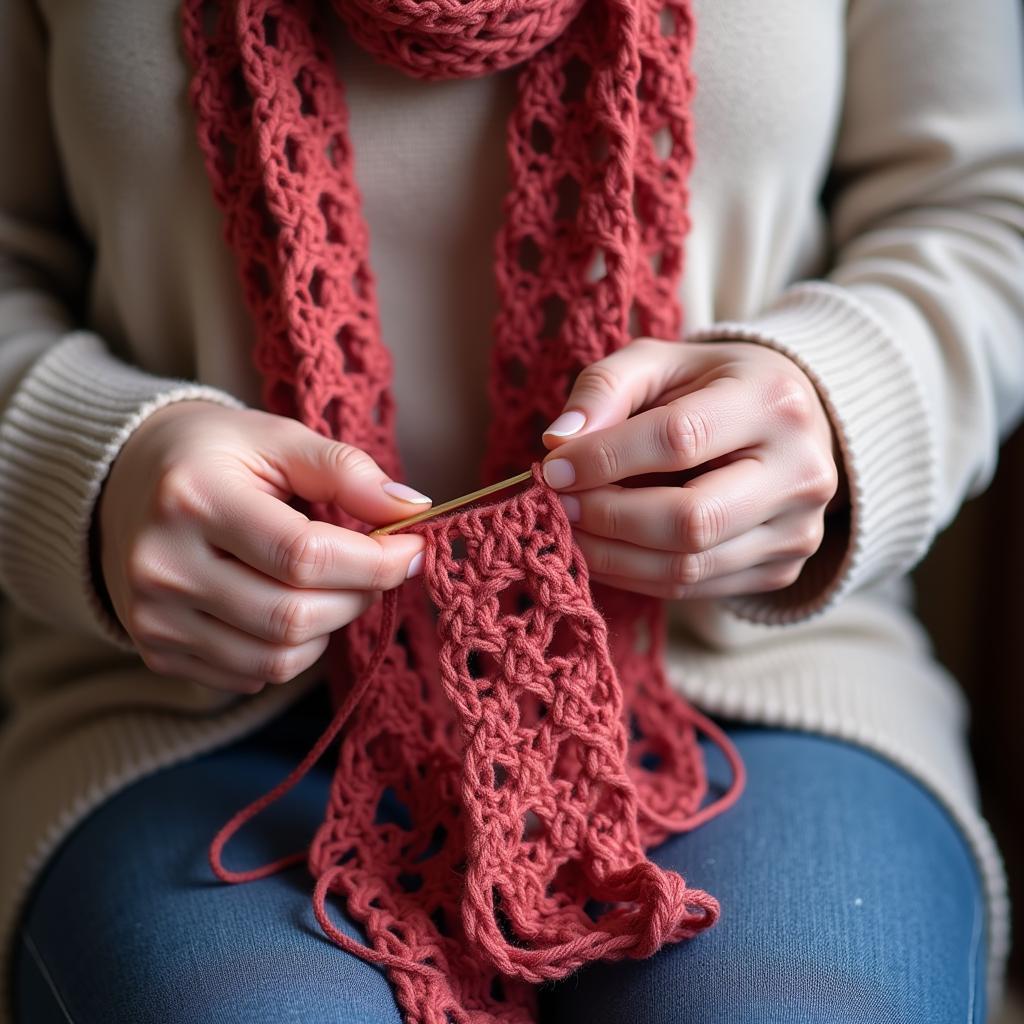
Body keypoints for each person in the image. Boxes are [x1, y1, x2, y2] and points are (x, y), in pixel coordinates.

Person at [1, 0, 1023, 1021]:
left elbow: (990, 209)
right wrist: (92, 469)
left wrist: (840, 403)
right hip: (190, 712)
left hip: (746, 683)